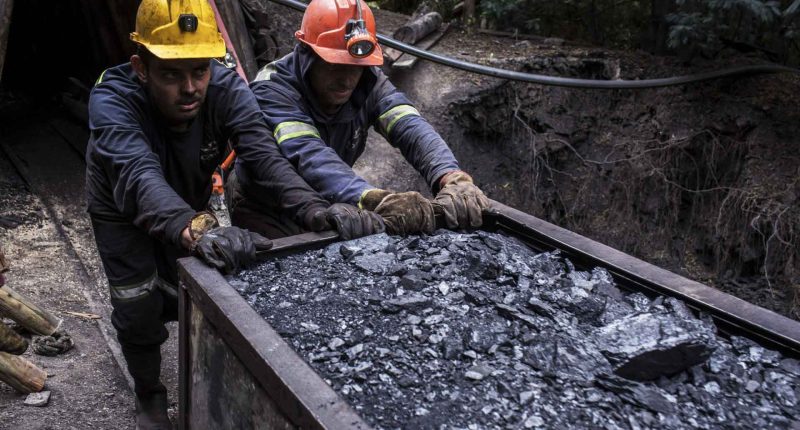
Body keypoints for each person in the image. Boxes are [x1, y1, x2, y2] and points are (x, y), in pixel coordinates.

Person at [85, 1, 380, 428]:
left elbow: (264, 156)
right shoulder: (112, 100)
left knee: (184, 282)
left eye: (199, 71)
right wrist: (196, 227)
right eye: (171, 74)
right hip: (120, 201)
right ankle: (149, 395)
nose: (190, 88)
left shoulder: (225, 89)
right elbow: (137, 175)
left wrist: (315, 209)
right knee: (136, 300)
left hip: (188, 191)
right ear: (141, 67)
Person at [229, 0, 489, 238]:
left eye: (355, 67)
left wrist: (450, 175)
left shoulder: (368, 81)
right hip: (267, 210)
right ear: (307, 54)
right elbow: (309, 153)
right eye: (335, 65)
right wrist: (372, 199)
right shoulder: (272, 89)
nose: (347, 79)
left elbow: (410, 125)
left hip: (334, 205)